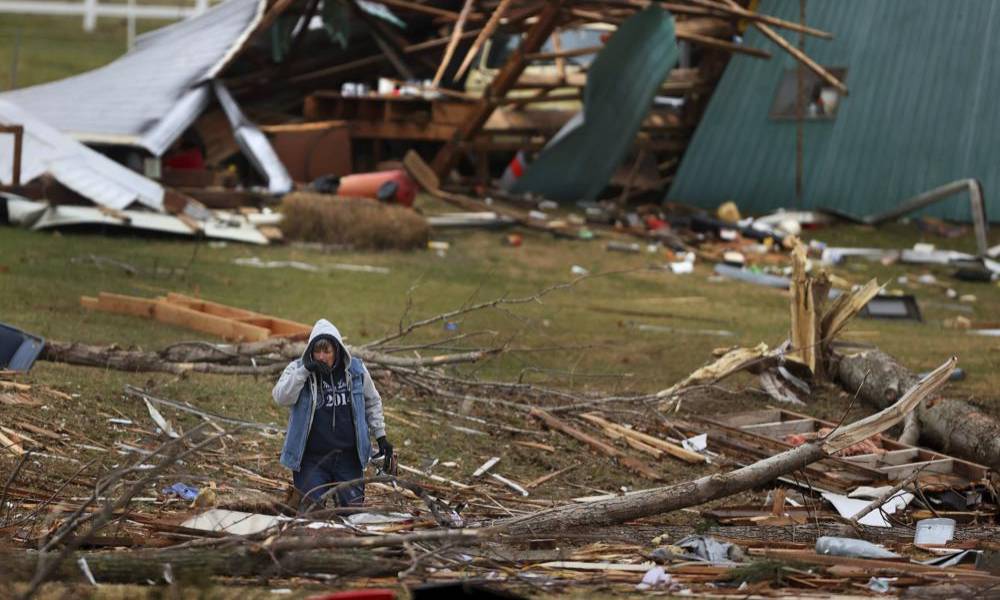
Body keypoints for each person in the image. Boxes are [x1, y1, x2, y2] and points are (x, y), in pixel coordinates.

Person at [273, 319, 392, 507]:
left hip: (348, 457)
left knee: (352, 512)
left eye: (326, 351)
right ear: (310, 352)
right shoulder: (298, 369)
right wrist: (305, 370)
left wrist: (381, 436)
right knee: (311, 513)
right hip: (311, 459)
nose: (321, 357)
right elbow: (281, 397)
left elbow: (372, 401)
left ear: (336, 350)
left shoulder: (356, 371)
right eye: (317, 351)